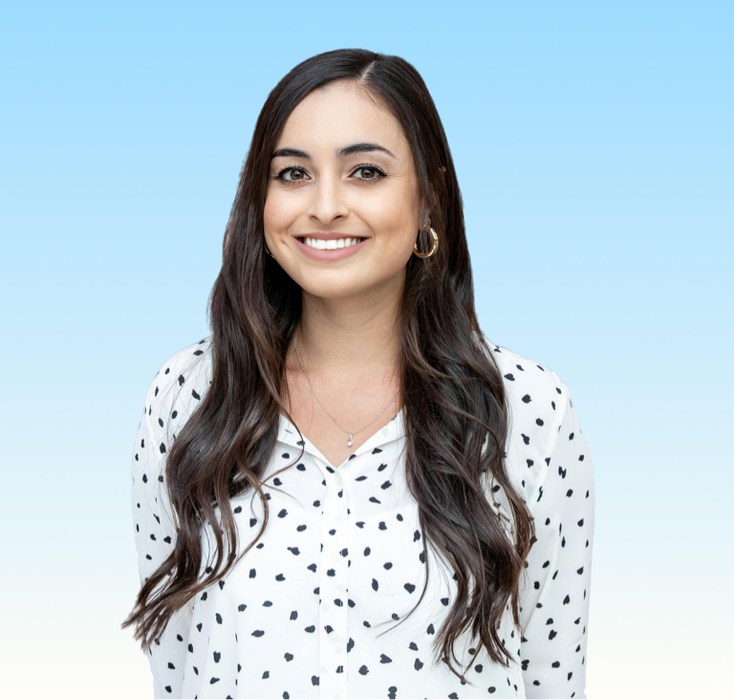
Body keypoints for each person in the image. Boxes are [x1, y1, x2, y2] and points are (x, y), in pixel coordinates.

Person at [124, 49, 594, 700]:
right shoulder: (189, 397)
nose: (324, 206)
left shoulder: (528, 409)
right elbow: (177, 671)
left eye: (365, 171)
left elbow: (552, 674)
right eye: (292, 174)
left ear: (428, 200)